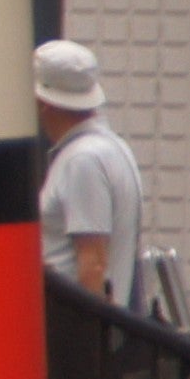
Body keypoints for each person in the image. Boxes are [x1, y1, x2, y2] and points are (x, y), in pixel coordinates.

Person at [37, 38, 146, 300]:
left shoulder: (82, 160)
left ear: (45, 103)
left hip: (74, 330)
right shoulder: (110, 148)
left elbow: (93, 263)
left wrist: (89, 336)